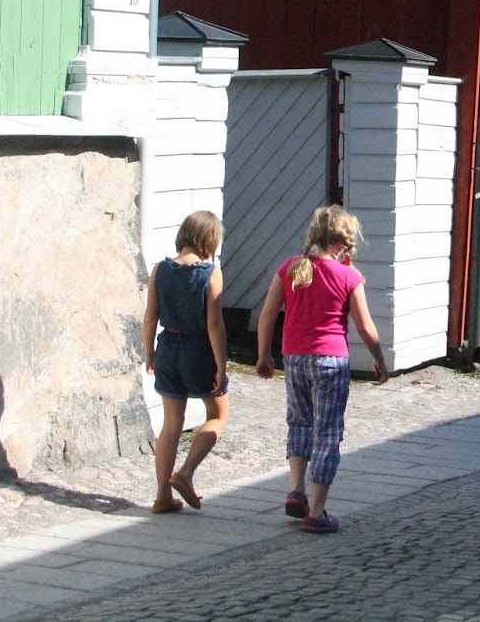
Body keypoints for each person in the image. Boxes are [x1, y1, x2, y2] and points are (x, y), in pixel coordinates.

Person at [256, 206, 388, 534]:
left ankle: (296, 490)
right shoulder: (349, 277)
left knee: (299, 422)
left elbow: (268, 314)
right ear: (344, 242)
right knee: (327, 433)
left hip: (294, 358)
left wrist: (263, 355)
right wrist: (379, 359)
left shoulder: (290, 267)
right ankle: (316, 511)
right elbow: (365, 327)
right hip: (331, 361)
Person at [144, 210, 229, 515]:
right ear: (210, 239)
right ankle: (186, 472)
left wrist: (149, 352)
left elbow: (150, 316)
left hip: (168, 346)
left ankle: (162, 495)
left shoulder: (160, 270)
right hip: (198, 349)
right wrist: (221, 365)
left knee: (171, 423)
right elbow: (215, 325)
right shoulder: (210, 273)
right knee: (218, 414)